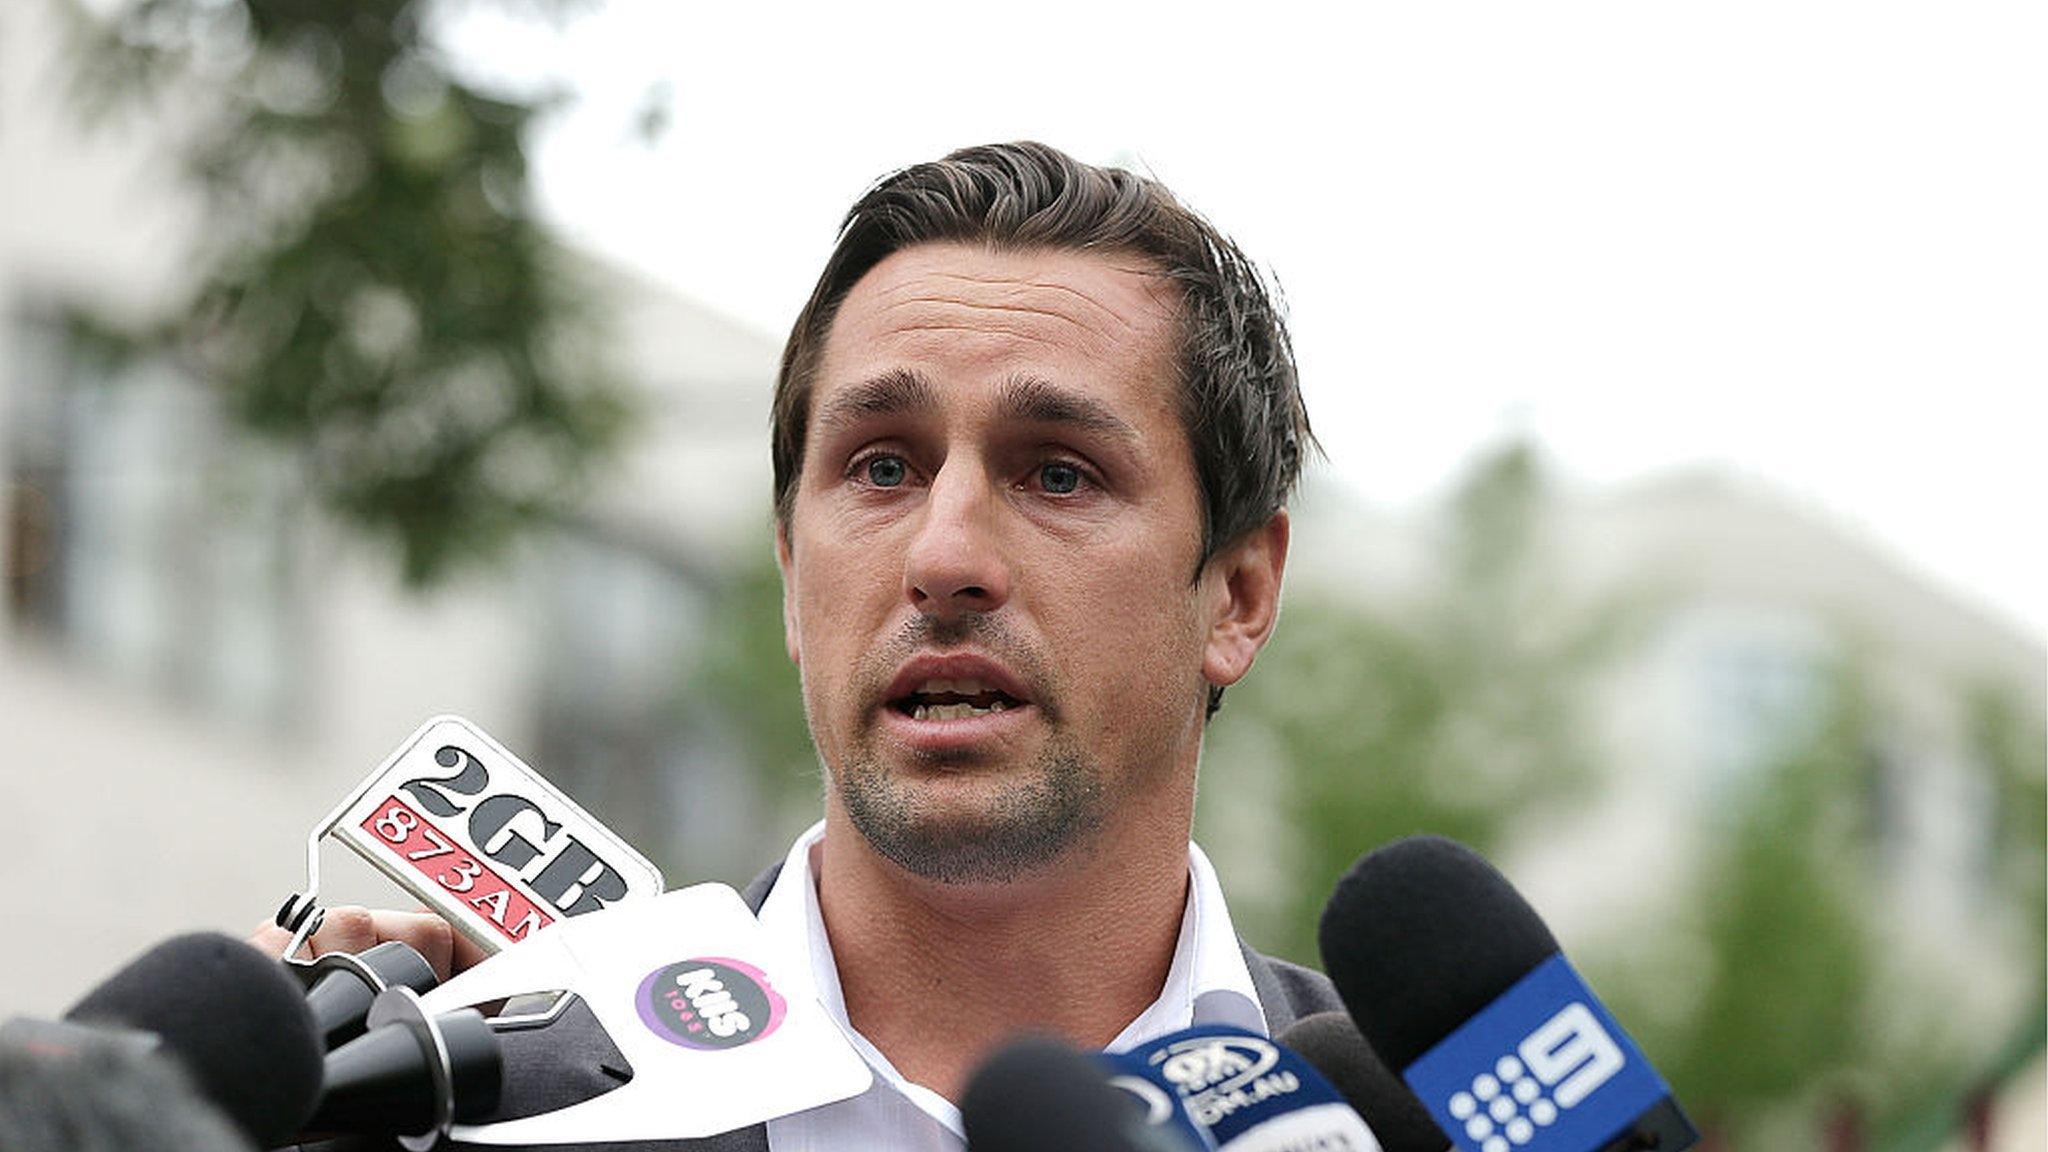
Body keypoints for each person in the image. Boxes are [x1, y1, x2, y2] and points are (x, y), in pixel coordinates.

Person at [258, 141, 1341, 1151]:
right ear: (790, 572)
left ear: (1237, 595)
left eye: (1057, 472)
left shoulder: (1417, 1111)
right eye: (880, 467)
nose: (943, 553)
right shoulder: (460, 1111)